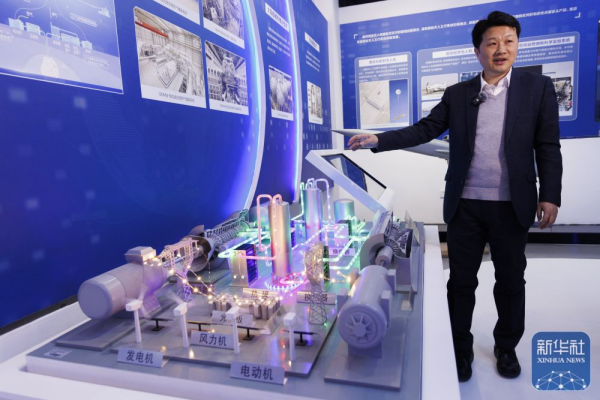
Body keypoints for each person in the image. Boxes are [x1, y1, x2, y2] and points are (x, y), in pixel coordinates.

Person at [348, 11, 562, 382]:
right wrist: (379, 140)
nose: (501, 49)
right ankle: (460, 349)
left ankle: (506, 347)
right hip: (466, 206)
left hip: (513, 205)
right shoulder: (459, 94)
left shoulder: (537, 88)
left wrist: (551, 194)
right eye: (492, 43)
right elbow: (425, 129)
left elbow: (547, 145)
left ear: (517, 45)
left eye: (509, 41)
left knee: (511, 282)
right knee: (461, 282)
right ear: (478, 51)